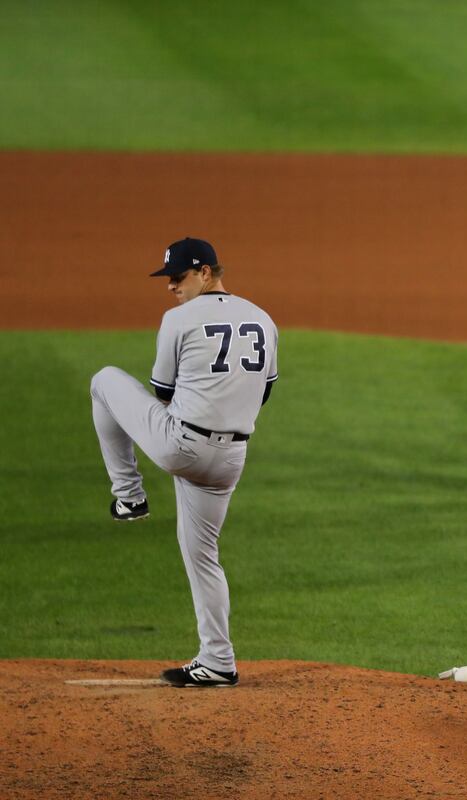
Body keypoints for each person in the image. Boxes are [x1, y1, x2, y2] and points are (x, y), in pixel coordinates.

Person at [90, 237, 278, 686]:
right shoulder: (263, 318)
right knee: (204, 557)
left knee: (104, 381)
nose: (171, 285)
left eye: (179, 276)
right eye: (168, 278)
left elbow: (162, 392)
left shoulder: (178, 320)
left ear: (207, 273)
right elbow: (265, 391)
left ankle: (129, 496)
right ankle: (218, 661)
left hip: (182, 445)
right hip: (231, 458)